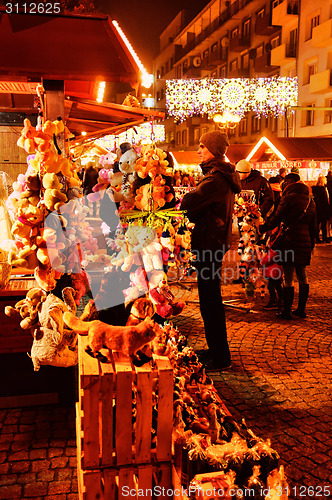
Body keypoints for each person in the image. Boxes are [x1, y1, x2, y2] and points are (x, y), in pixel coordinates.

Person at [180, 130, 241, 370]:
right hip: (213, 243)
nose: (198, 151)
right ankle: (215, 350)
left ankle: (221, 357)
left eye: (203, 147)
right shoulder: (219, 177)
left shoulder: (215, 179)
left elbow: (189, 204)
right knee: (209, 300)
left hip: (209, 244)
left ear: (214, 150)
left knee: (210, 301)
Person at [259, 173, 317, 319]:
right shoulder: (310, 201)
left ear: (289, 184)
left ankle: (286, 311)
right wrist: (311, 245)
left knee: (289, 277)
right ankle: (301, 310)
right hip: (304, 243)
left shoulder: (287, 198)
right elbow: (314, 227)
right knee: (302, 275)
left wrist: (262, 228)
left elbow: (276, 219)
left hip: (289, 242)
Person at [311, 175, 330, 243]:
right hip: (323, 209)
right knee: (323, 224)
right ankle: (324, 238)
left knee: (317, 223)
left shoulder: (316, 189)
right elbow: (325, 199)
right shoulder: (322, 189)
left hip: (318, 209)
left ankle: (317, 238)